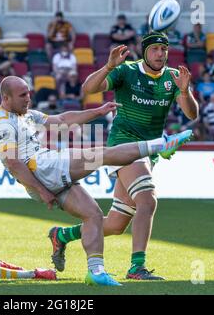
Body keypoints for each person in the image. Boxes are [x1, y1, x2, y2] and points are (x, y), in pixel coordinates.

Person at [0, 75, 192, 286]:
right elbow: (13, 164)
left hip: (45, 172)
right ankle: (162, 144)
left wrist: (97, 112)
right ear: (6, 97)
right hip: (42, 168)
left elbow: (61, 120)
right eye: (23, 95)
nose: (28, 98)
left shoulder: (25, 114)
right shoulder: (2, 124)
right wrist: (42, 191)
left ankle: (95, 272)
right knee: (101, 155)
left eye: (28, 93)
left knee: (92, 214)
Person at [47, 32, 199, 280]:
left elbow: (191, 114)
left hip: (148, 152)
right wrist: (108, 66)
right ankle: (136, 267)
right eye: (155, 50)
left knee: (116, 224)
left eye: (164, 50)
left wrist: (185, 91)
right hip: (123, 145)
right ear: (145, 52)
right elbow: (88, 89)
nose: (160, 54)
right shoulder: (126, 71)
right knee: (147, 200)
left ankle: (62, 235)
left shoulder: (173, 78)